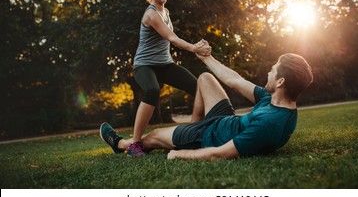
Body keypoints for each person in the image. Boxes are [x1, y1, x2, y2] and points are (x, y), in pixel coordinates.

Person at [100, 52, 313, 160]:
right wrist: (206, 57)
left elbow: (219, 154)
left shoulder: (269, 123)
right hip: (224, 120)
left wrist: (179, 154)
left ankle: (119, 144)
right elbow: (234, 80)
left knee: (152, 136)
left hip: (208, 136)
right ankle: (187, 133)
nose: (268, 72)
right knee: (205, 78)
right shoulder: (273, 99)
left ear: (280, 82)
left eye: (273, 71)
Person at [101, 0, 211, 158]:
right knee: (152, 90)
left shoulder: (165, 12)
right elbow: (172, 38)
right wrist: (195, 48)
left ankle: (198, 132)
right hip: (144, 66)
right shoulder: (151, 14)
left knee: (199, 87)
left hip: (164, 64)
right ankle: (135, 145)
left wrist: (195, 48)